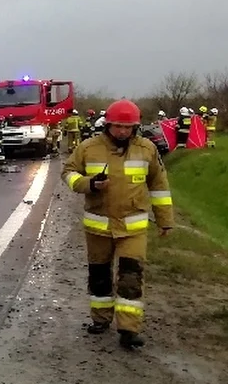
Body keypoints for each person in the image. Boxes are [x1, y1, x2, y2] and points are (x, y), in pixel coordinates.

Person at [62, 99, 174, 350]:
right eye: (118, 126)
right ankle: (100, 319)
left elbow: (159, 185)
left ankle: (128, 329)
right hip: (98, 226)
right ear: (108, 125)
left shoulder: (146, 149)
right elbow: (68, 173)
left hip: (133, 228)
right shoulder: (88, 148)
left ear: (135, 127)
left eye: (128, 127)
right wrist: (90, 184)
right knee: (99, 275)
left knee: (131, 277)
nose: (123, 131)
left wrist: (165, 220)